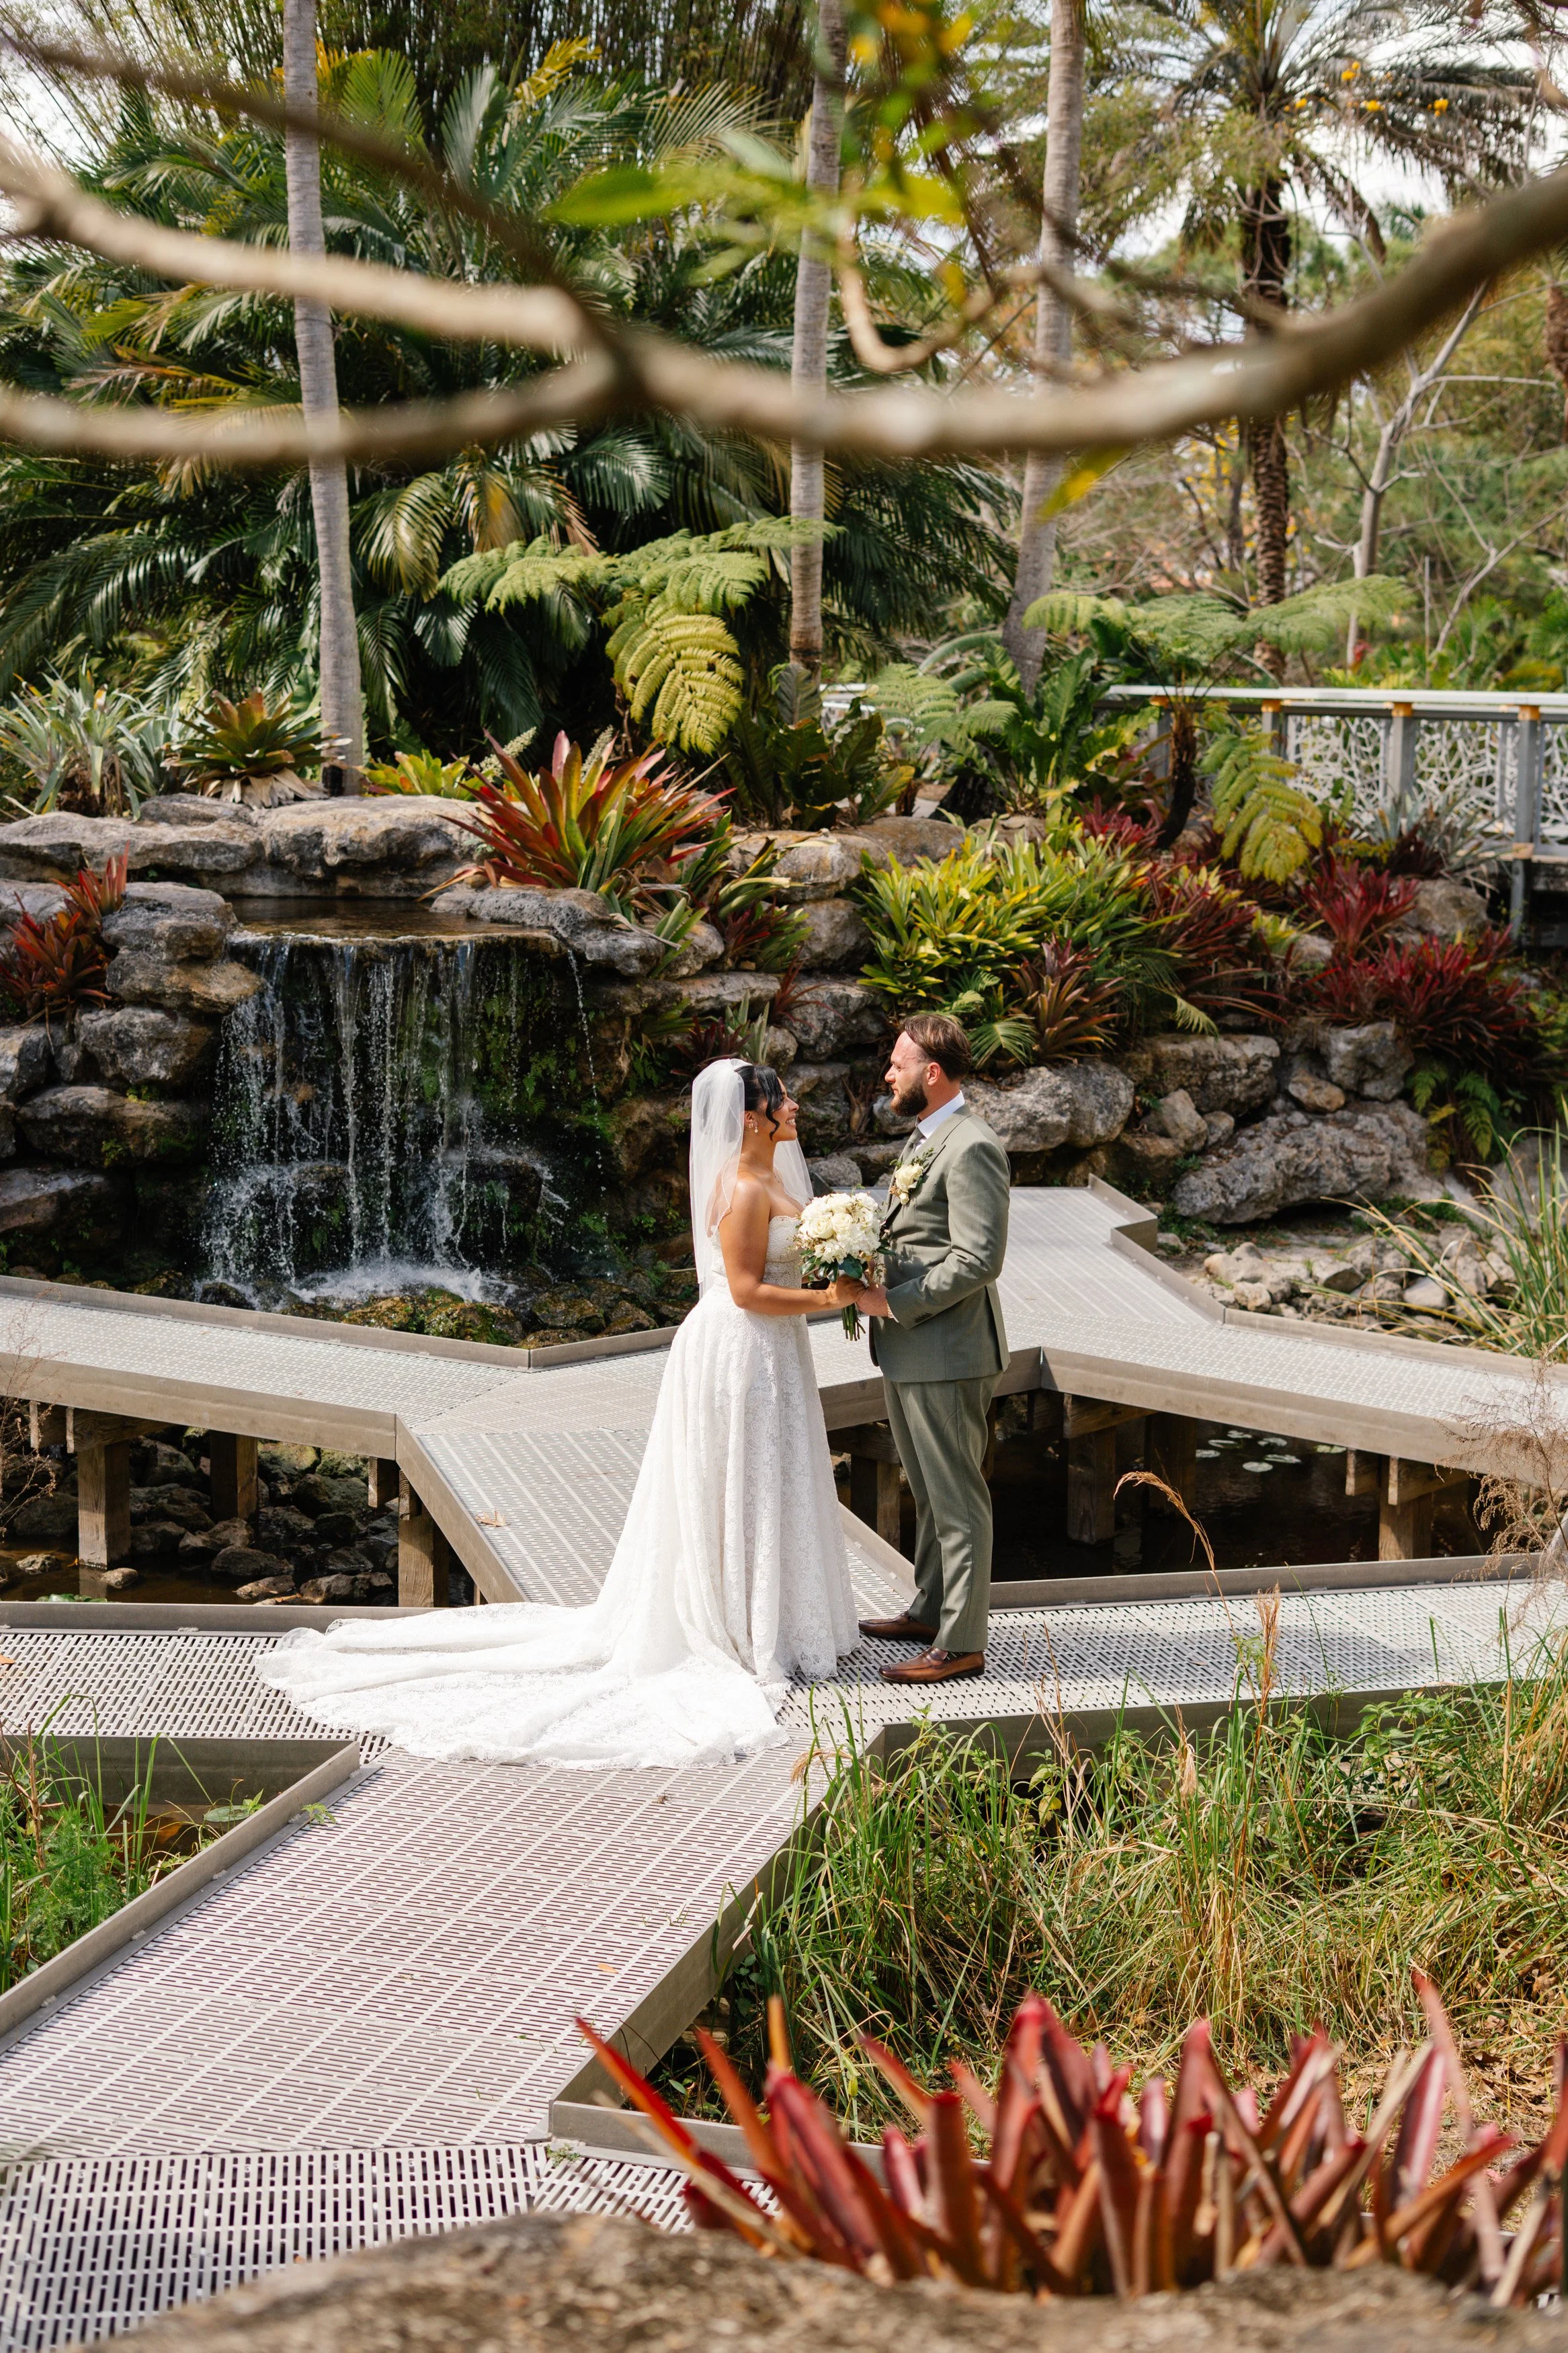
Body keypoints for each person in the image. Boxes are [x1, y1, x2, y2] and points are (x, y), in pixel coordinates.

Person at [257, 1060, 862, 1768]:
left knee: (770, 1476)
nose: (794, 1104)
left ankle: (775, 1619)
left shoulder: (777, 1180)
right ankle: (742, 1626)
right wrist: (834, 1300)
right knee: (741, 1481)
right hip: (740, 1348)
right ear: (752, 1117)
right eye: (781, 1097)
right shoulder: (739, 1185)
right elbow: (745, 1289)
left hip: (774, 1352)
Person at [845, 1012, 1009, 1685]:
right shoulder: (925, 1141)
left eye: (896, 1062)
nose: (887, 1073)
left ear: (930, 1072)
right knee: (929, 1488)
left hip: (946, 1348)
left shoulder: (970, 1145)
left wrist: (891, 1301)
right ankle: (928, 1608)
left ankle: (962, 1641)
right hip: (912, 1349)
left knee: (956, 1496)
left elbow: (978, 1258)